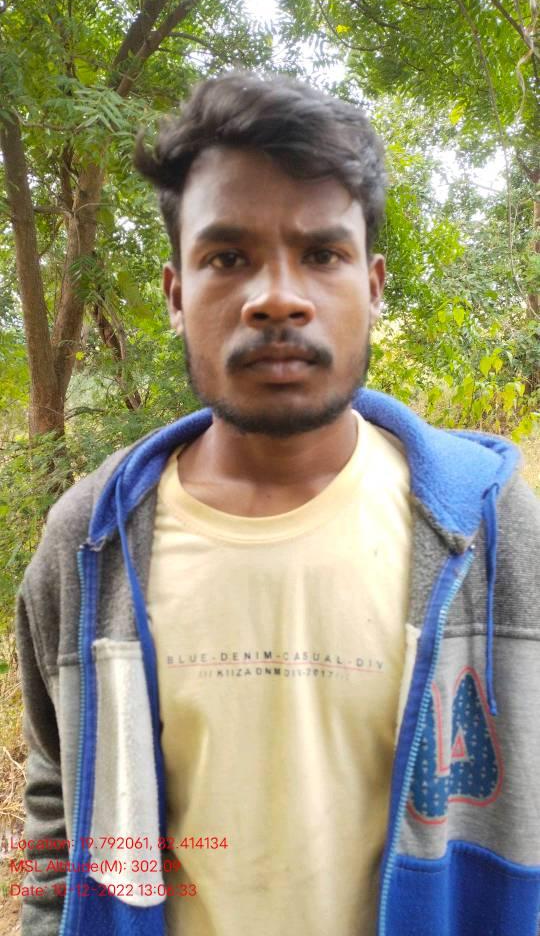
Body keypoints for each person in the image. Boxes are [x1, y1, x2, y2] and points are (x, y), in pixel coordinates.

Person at [15, 72, 540, 936]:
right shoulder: (91, 544)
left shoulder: (493, 533)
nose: (277, 297)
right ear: (177, 294)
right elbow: (56, 817)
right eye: (228, 258)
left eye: (322, 255)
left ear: (373, 286)